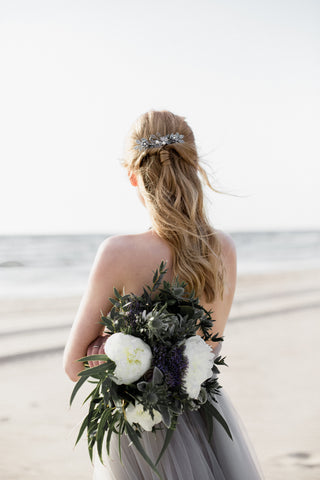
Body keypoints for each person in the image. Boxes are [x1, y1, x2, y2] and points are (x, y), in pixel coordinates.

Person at [63, 110, 264, 479]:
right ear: (193, 166)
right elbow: (209, 350)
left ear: (132, 176)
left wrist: (113, 351)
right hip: (202, 421)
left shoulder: (117, 253)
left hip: (138, 434)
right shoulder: (223, 248)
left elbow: (74, 365)